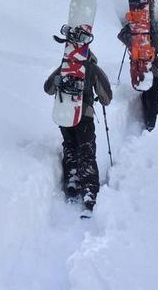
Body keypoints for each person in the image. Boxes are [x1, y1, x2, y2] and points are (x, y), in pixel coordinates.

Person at [44, 52, 112, 214]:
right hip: (84, 115)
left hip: (64, 114)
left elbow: (48, 88)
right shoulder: (93, 68)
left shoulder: (66, 67)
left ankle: (72, 182)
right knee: (86, 150)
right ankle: (89, 191)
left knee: (69, 146)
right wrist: (99, 99)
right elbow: (107, 97)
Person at [117, 1, 158, 131]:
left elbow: (120, 35)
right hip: (153, 72)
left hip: (138, 71)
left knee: (146, 94)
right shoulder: (156, 37)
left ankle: (148, 121)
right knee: (153, 96)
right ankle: (151, 124)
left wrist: (131, 29)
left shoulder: (133, 35)